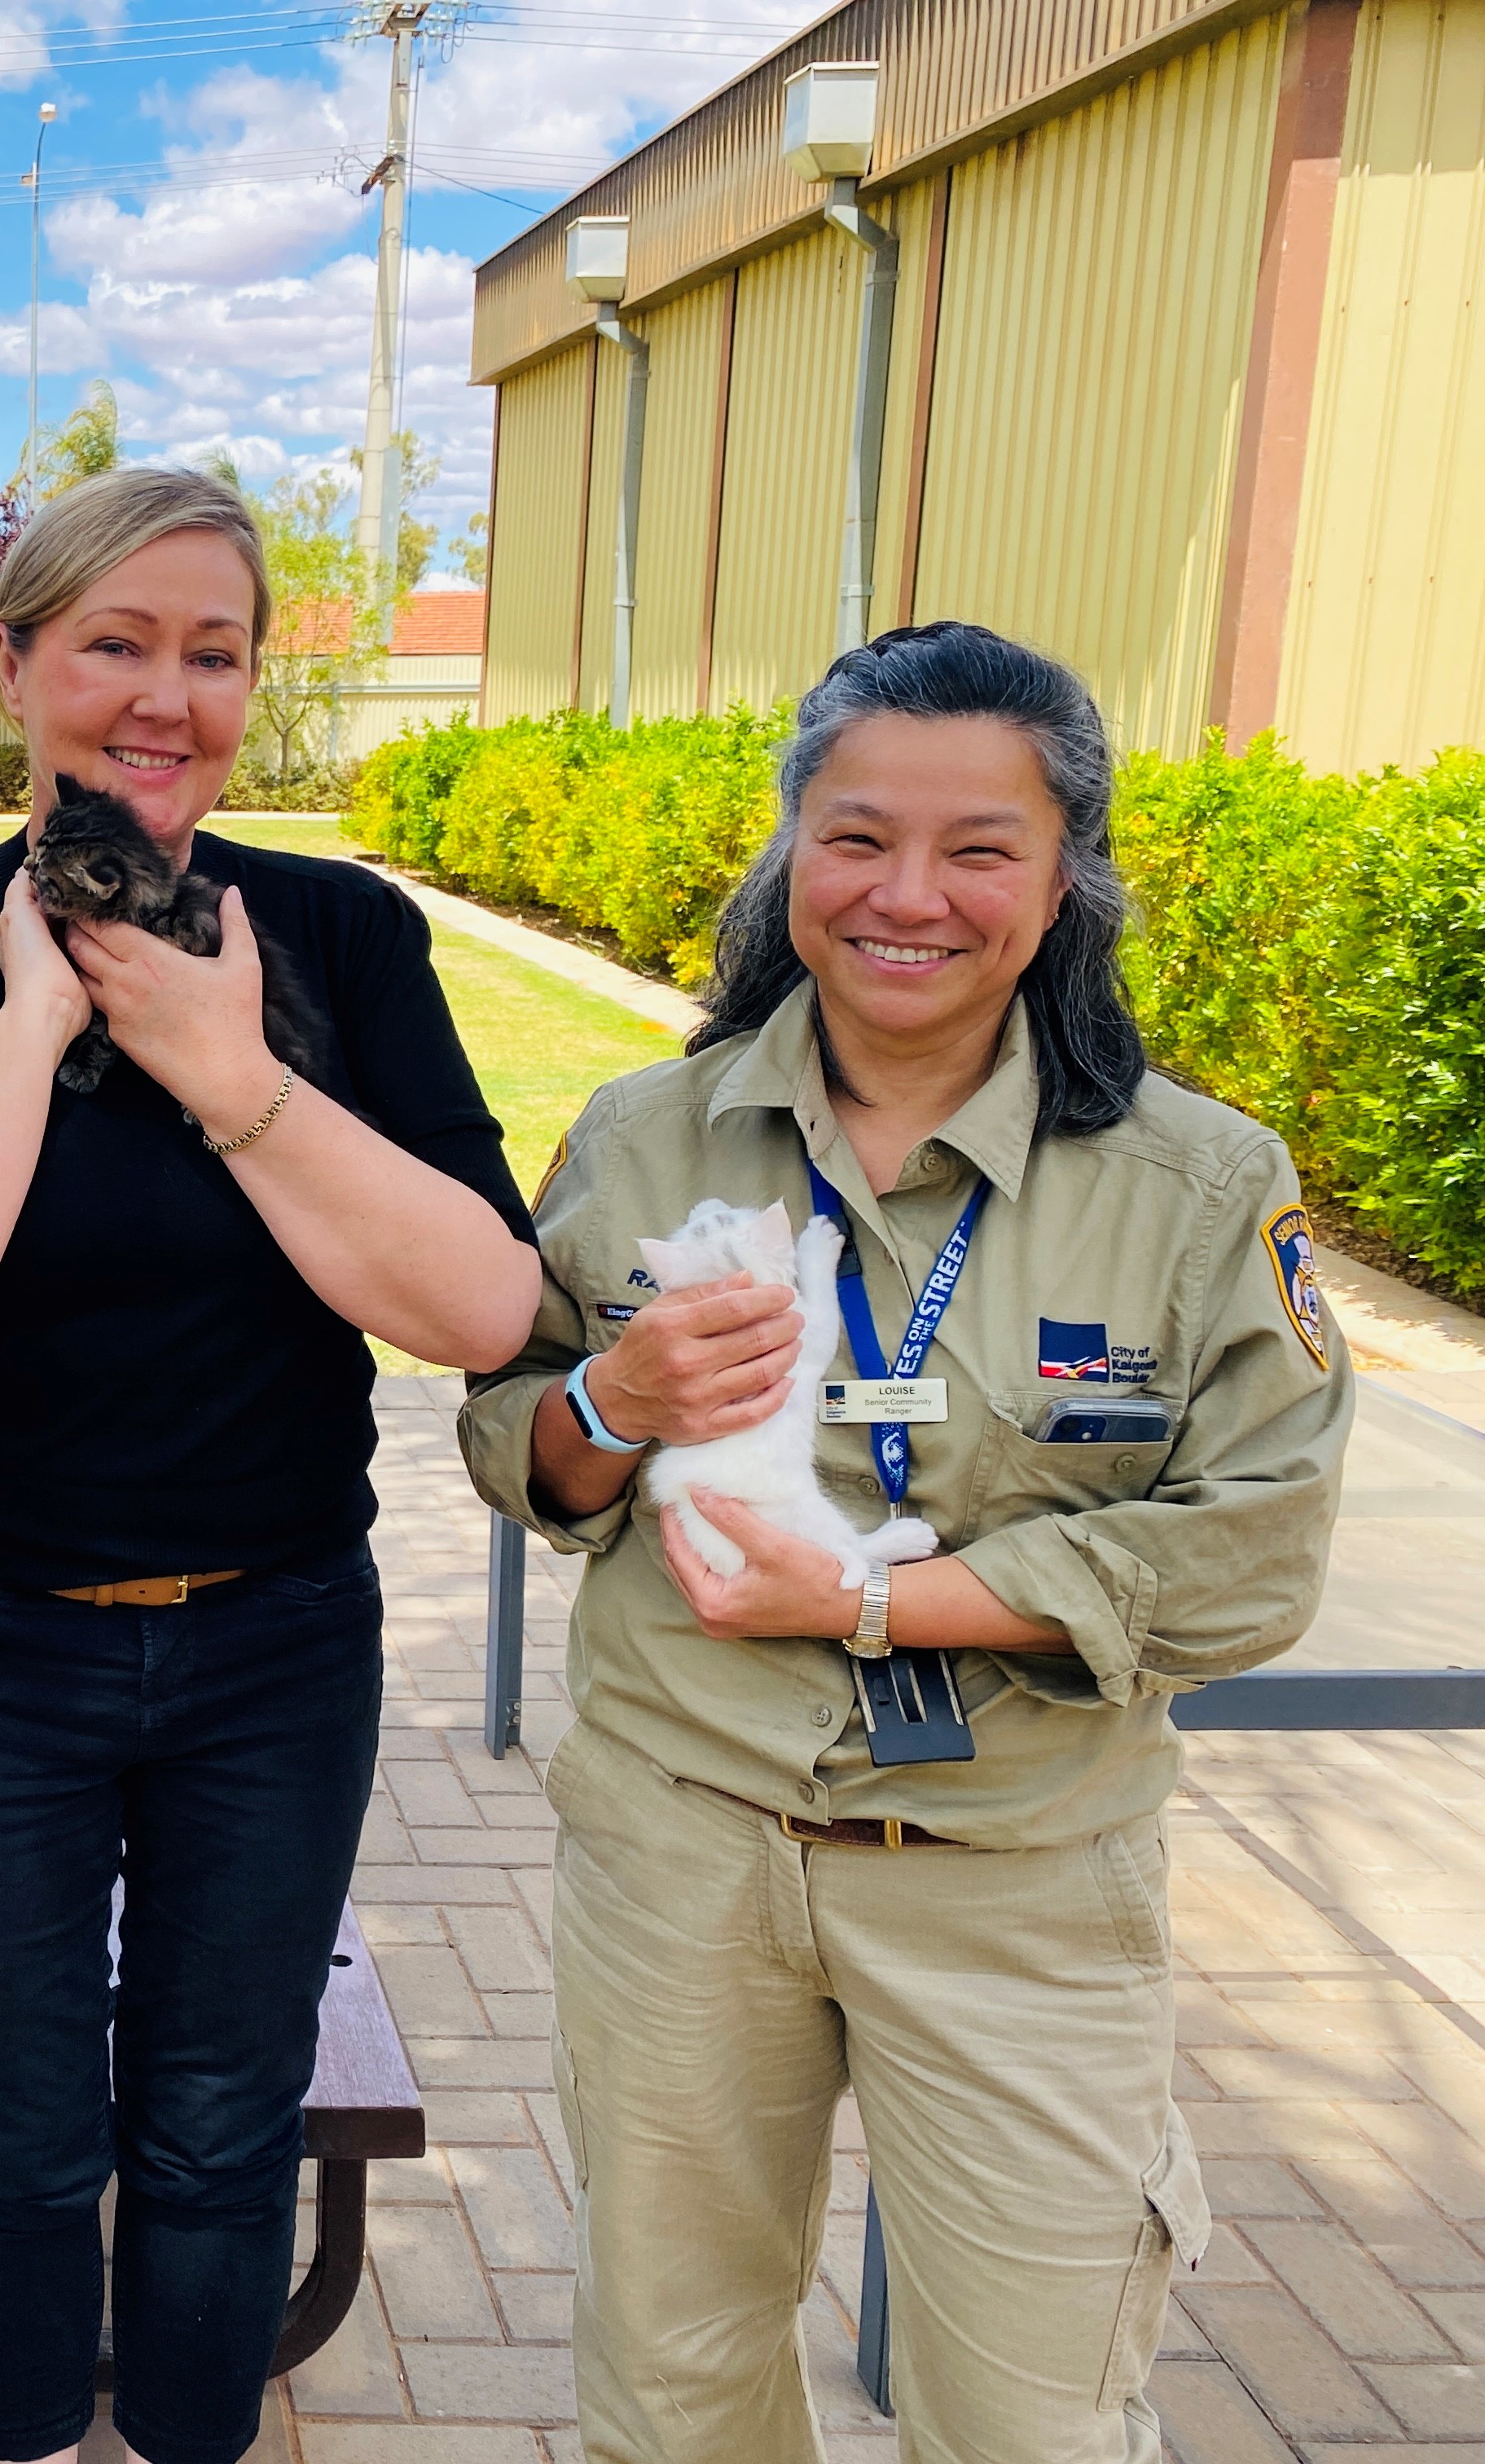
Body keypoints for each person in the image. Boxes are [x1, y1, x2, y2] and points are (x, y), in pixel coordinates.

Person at [458, 622, 1352, 2462]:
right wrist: (616, 1400)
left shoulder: (1202, 1188)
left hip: (1020, 1881)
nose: (909, 898)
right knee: (677, 2383)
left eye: (980, 849)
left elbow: (1256, 1552)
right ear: (792, 847)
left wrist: (877, 1595)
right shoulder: (639, 1139)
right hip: (681, 1855)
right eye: (857, 837)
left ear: (1065, 877)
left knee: (1032, 2419)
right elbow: (517, 1452)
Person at [0, 467, 546, 2464]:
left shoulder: (343, 942)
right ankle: (32, 2436)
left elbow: (481, 1306)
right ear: (17, 665)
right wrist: (35, 1025)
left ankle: (199, 2440)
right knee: (17, 2123)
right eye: (114, 642)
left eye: (213, 653)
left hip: (277, 1645)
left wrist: (234, 1076)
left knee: (225, 2124)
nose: (165, 696)